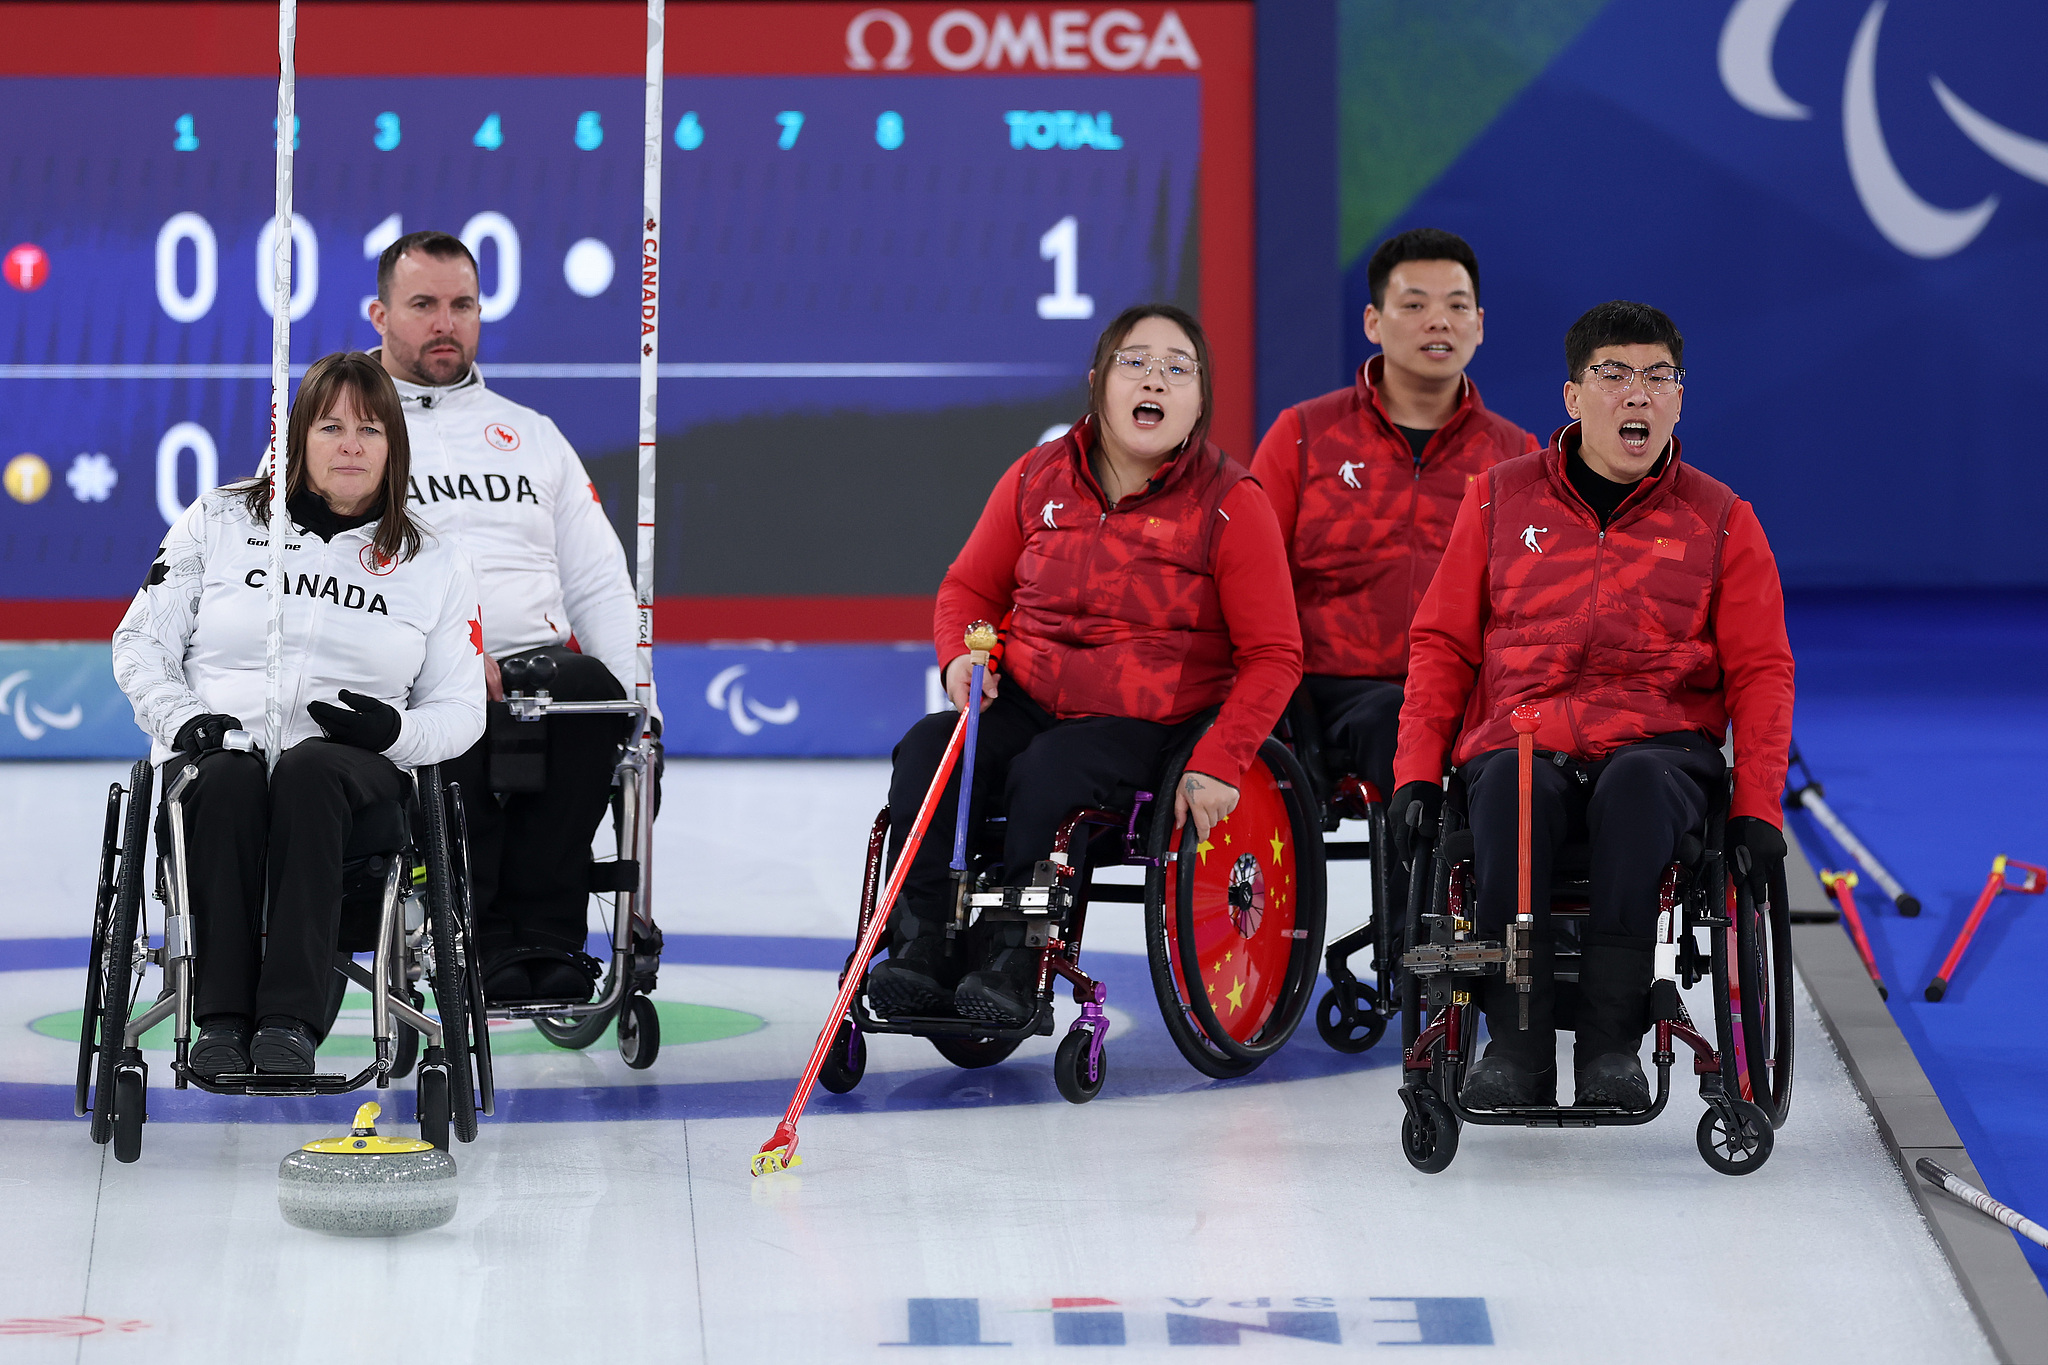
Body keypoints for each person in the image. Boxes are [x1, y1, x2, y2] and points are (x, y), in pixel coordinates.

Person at [1389, 301, 1795, 1110]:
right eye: (1613, 375)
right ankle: (1517, 1045)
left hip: (1661, 748)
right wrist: (1415, 772)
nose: (1635, 394)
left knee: (1638, 787)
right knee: (1508, 787)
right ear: (1573, 397)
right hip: (1523, 738)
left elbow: (1762, 672)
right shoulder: (1498, 500)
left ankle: (1612, 1045)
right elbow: (1442, 645)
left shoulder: (1722, 522)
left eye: (1656, 378)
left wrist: (1758, 804)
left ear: (1679, 399)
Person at [866, 303, 1303, 1026]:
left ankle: (1013, 959)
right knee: (927, 751)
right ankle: (918, 947)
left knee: (1050, 771)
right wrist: (958, 660)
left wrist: (1223, 758)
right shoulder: (1038, 476)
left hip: (1145, 721)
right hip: (1030, 699)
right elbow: (970, 587)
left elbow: (1275, 655)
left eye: (1177, 368)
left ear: (1199, 402)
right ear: (1098, 383)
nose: (1154, 378)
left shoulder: (1232, 504)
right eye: (1135, 362)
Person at [112, 351, 485, 1077]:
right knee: (227, 780)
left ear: (393, 447)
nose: (351, 444)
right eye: (332, 426)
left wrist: (395, 732)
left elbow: (463, 710)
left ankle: (288, 1023)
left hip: (354, 784)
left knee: (312, 770)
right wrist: (186, 720)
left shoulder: (435, 561)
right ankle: (219, 1021)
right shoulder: (218, 518)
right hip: (216, 760)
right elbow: (138, 643)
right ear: (297, 438)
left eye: (371, 429)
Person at [368, 230, 656, 1006]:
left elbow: (598, 579)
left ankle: (548, 937)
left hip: (534, 662)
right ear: (380, 315)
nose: (445, 323)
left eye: (462, 304)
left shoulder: (531, 433)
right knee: (459, 709)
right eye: (423, 304)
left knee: (589, 690)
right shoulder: (342, 432)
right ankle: (480, 937)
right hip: (409, 670)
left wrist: (641, 701)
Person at [1250, 228, 1536, 805]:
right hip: (1329, 697)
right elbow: (1252, 582)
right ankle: (1415, 899)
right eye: (1414, 304)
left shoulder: (1515, 457)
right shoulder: (1304, 436)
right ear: (1372, 323)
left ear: (1479, 324)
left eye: (1457, 306)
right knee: (1398, 718)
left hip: (1467, 692)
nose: (1439, 321)